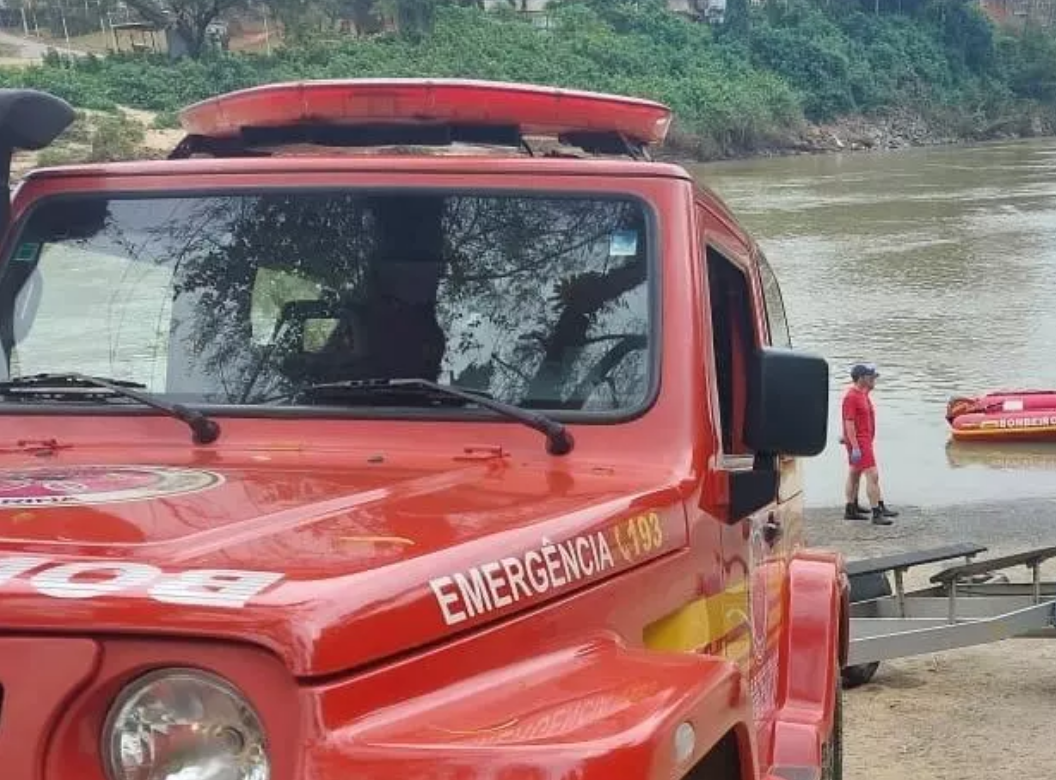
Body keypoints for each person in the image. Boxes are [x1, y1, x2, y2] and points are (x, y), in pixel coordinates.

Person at [841, 362, 899, 525]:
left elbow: (860, 420)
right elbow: (849, 422)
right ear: (861, 378)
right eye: (870, 377)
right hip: (859, 442)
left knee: (854, 473)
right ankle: (876, 513)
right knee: (872, 475)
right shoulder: (851, 397)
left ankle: (851, 508)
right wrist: (854, 445)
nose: (874, 379)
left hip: (864, 440)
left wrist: (846, 439)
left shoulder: (863, 394)